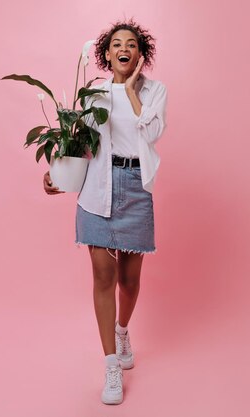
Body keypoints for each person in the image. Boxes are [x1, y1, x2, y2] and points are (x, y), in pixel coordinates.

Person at [43, 18, 167, 405]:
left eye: (130, 43)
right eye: (116, 44)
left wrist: (131, 92)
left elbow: (152, 133)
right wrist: (56, 175)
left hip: (134, 188)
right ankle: (111, 363)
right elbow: (81, 143)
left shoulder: (155, 90)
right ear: (107, 53)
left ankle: (123, 330)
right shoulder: (92, 93)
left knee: (128, 282)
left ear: (139, 53)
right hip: (97, 187)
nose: (123, 48)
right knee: (102, 274)